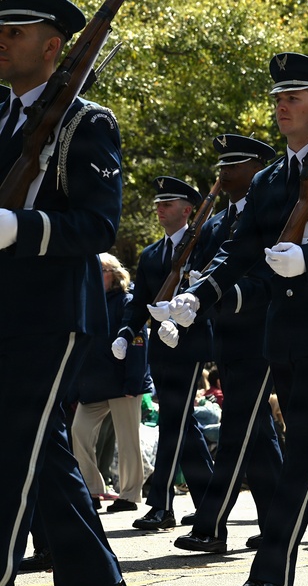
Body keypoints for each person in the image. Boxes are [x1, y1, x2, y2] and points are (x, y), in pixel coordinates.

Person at [166, 52, 308, 586]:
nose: (282, 106)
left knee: (306, 448)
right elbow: (238, 253)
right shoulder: (268, 180)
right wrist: (199, 294)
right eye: (278, 99)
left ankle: (273, 571)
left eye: (294, 98)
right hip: (281, 332)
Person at [0, 0, 133, 586]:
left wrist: (19, 229)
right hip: (5, 309)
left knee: (8, 454)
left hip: (49, 316)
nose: (1, 41)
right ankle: (100, 583)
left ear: (53, 46)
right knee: (39, 453)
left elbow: (97, 226)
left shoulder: (87, 121)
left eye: (14, 32)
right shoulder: (1, 116)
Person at [173, 133, 284, 555]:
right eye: (223, 164)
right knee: (257, 432)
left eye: (235, 163)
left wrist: (227, 295)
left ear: (257, 169)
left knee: (239, 428)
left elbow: (267, 277)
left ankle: (211, 525)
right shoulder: (217, 223)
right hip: (228, 335)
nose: (224, 172)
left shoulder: (271, 215)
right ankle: (276, 521)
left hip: (259, 331)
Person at [115, 176, 216, 530]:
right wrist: (126, 333)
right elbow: (140, 302)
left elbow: (211, 293)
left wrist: (181, 318)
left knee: (174, 421)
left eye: (168, 204)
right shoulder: (152, 254)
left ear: (188, 210)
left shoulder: (204, 246)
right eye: (158, 204)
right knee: (181, 421)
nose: (160, 209)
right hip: (160, 345)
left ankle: (161, 504)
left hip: (190, 343)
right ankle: (207, 499)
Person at [72, 253, 151, 513]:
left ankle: (129, 497)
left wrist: (133, 382)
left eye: (101, 269)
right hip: (93, 385)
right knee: (78, 433)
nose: (95, 274)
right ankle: (93, 489)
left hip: (123, 384)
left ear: (114, 275)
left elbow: (138, 343)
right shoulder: (87, 302)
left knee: (128, 441)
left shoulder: (127, 301)